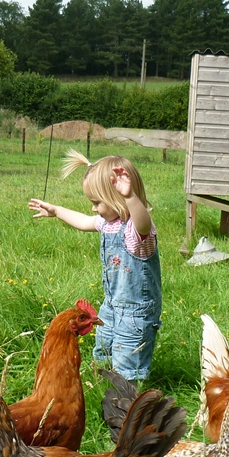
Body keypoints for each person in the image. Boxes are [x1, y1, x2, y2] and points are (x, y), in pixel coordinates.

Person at [28, 150, 162, 381]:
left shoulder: (136, 232)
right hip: (111, 305)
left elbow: (142, 222)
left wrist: (130, 197)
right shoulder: (108, 223)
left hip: (135, 314)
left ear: (117, 198)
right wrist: (56, 211)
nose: (93, 208)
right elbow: (83, 222)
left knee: (127, 364)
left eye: (97, 203)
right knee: (103, 350)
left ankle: (126, 399)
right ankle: (102, 385)